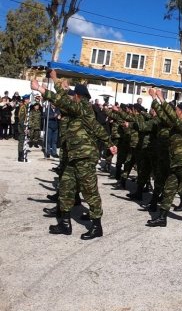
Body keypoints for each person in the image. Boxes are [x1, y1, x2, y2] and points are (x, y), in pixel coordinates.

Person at [30, 73, 117, 239]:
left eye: (73, 95)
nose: (71, 97)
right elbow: (97, 127)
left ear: (78, 96)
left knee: (90, 191)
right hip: (73, 157)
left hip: (85, 157)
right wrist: (55, 80)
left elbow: (63, 101)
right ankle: (65, 224)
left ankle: (97, 226)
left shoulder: (84, 107)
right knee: (65, 188)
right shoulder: (78, 110)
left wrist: (40, 88)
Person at [145, 87, 182, 228]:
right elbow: (163, 115)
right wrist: (154, 98)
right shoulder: (175, 124)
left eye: (177, 109)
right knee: (168, 190)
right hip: (175, 164)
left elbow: (171, 115)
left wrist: (161, 98)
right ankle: (162, 217)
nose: (175, 111)